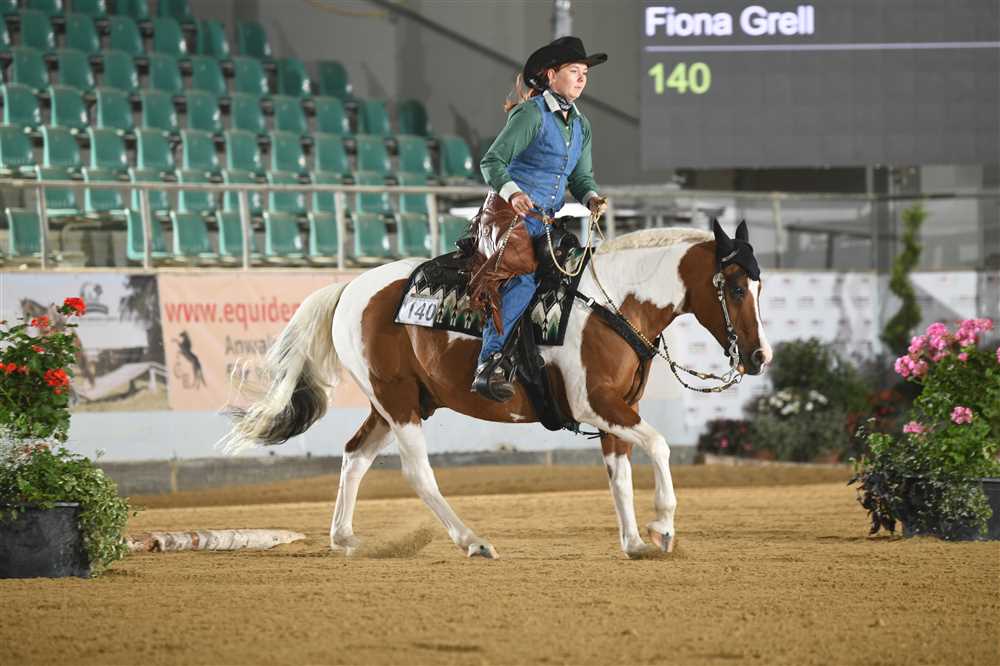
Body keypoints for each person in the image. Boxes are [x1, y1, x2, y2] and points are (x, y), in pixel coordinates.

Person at [469, 36, 608, 402]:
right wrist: (513, 192)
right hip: (509, 218)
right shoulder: (531, 114)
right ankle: (489, 362)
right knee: (524, 279)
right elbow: (492, 162)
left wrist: (591, 197)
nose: (582, 79)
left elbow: (581, 177)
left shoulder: (581, 125)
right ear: (551, 75)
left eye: (584, 73)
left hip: (546, 222)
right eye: (574, 71)